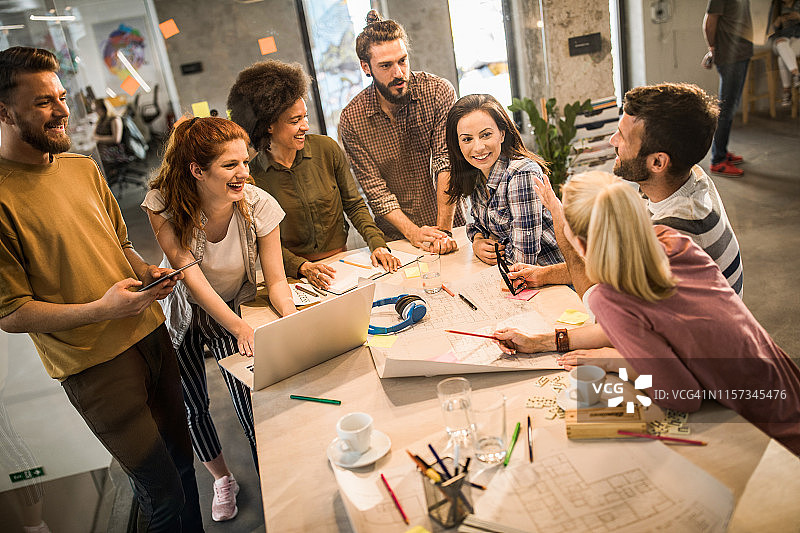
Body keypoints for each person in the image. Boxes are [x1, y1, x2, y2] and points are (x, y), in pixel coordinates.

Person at [0, 47, 202, 531]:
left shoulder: (81, 167)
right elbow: (10, 313)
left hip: (152, 337)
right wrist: (102, 309)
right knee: (162, 497)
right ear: (4, 112)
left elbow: (120, 242)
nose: (62, 110)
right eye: (43, 102)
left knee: (184, 466)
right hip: (95, 366)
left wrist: (145, 272)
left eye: (61, 97)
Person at [494, 171, 800, 456]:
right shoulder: (670, 240)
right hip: (786, 387)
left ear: (580, 244)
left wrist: (613, 360)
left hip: (772, 435)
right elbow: (634, 327)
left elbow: (683, 396)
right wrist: (544, 341)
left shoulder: (610, 299)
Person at [142, 116, 296, 522]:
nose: (243, 172)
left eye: (245, 161)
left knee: (251, 401)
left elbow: (277, 280)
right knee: (194, 405)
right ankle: (222, 478)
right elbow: (188, 275)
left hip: (235, 305)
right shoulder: (163, 203)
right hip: (183, 310)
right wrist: (240, 328)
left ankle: (274, 484)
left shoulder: (258, 204)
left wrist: (291, 322)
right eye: (230, 165)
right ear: (198, 170)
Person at [509, 83, 743, 300]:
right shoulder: (690, 178)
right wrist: (542, 274)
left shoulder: (672, 236)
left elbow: (599, 306)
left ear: (658, 163)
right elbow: (611, 265)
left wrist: (563, 227)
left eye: (623, 136)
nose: (613, 141)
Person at [227, 60, 400, 289]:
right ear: (268, 125)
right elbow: (262, 239)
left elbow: (354, 204)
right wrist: (302, 266)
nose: (305, 126)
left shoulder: (326, 149)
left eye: (305, 117)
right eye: (295, 120)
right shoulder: (253, 176)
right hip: (293, 276)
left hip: (342, 265)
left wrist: (376, 243)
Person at [339, 10, 463, 252]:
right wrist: (413, 233)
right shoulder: (352, 119)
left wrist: (444, 232)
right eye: (386, 65)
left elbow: (445, 162)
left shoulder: (438, 92)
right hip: (398, 238)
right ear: (366, 67)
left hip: (451, 224)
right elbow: (375, 190)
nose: (398, 73)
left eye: (402, 61)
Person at [444, 93, 563, 268]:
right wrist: (477, 242)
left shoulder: (522, 174)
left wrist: (497, 249)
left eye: (485, 135)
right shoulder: (477, 173)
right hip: (512, 276)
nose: (478, 147)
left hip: (551, 281)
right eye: (467, 139)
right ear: (458, 144)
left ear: (502, 133)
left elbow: (523, 261)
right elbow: (476, 225)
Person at [703, 0, 753, 178]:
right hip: (730, 57)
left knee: (731, 107)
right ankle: (718, 160)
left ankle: (721, 150)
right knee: (725, 109)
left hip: (741, 53)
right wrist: (713, 49)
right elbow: (709, 22)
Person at [770, 0, 800, 107]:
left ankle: (787, 92)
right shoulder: (776, 7)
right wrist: (777, 23)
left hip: (798, 39)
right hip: (783, 39)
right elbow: (769, 33)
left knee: (782, 58)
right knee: (780, 43)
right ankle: (796, 74)